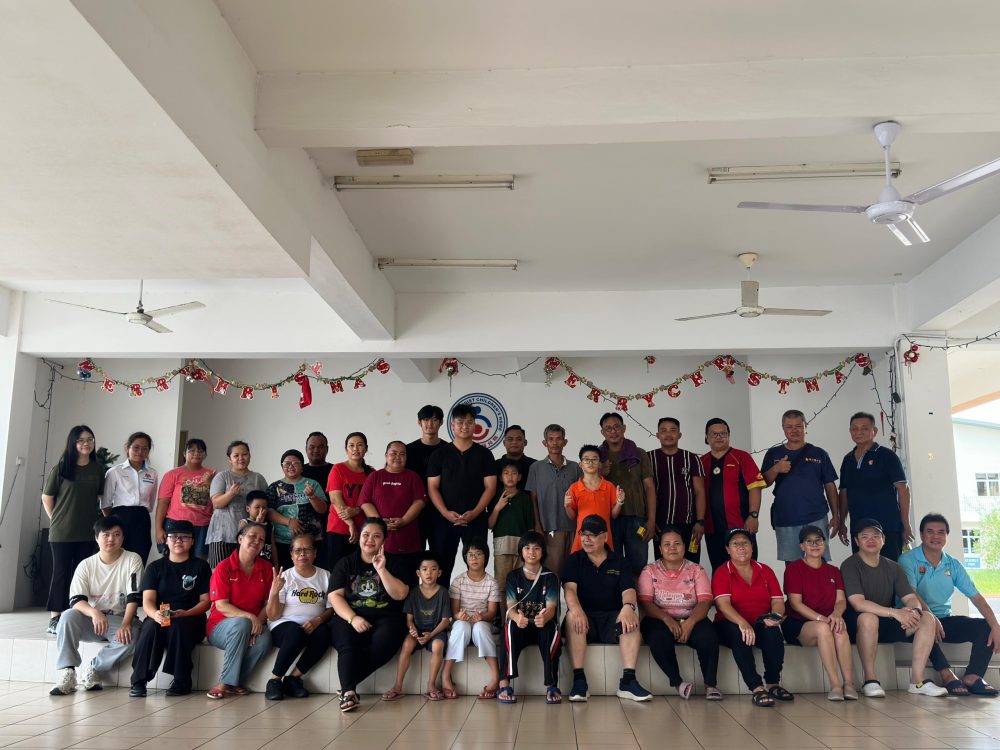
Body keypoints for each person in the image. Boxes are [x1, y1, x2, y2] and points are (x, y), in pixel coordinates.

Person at [841, 518, 946, 697]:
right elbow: (858, 603)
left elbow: (910, 598)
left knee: (927, 618)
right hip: (857, 625)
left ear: (883, 540)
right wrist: (894, 612)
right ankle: (870, 680)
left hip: (885, 622)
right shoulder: (850, 565)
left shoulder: (893, 567)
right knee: (868, 618)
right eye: (865, 536)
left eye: (876, 536)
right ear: (857, 541)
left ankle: (917, 681)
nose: (871, 540)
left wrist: (914, 611)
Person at [899, 513, 1000, 696]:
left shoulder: (952, 564)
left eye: (941, 532)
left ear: (946, 536)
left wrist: (995, 626)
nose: (935, 536)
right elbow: (911, 592)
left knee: (985, 626)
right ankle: (946, 675)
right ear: (921, 535)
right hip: (914, 619)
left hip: (944, 620)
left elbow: (976, 597)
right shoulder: (908, 560)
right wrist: (931, 618)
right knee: (925, 624)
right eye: (930, 532)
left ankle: (973, 676)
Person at [563, 515, 652, 703]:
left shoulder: (619, 561)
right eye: (583, 534)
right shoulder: (574, 560)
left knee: (630, 620)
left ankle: (628, 681)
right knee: (572, 616)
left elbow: (629, 590)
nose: (586, 539)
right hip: (585, 619)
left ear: (605, 536)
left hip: (611, 619)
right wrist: (576, 609)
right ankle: (579, 681)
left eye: (592, 535)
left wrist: (628, 607)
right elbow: (569, 589)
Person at [50, 515, 142, 695]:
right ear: (96, 538)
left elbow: (134, 597)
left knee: (133, 635)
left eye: (116, 534)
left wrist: (126, 623)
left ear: (123, 537)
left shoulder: (132, 559)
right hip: (91, 620)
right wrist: (94, 613)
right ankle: (67, 671)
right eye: (106, 534)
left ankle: (94, 668)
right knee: (67, 616)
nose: (111, 539)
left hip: (118, 618)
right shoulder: (86, 565)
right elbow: (76, 600)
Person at [328, 517, 410, 712]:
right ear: (359, 537)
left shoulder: (395, 562)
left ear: (384, 540)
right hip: (350, 615)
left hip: (386, 616)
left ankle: (347, 687)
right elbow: (335, 596)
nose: (370, 540)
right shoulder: (346, 563)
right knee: (347, 644)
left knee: (385, 642)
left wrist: (381, 570)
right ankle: (349, 692)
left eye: (376, 536)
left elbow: (400, 594)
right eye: (365, 535)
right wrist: (353, 618)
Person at [129, 519, 211, 697]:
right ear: (166, 540)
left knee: (179, 627)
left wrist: (187, 613)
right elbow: (148, 600)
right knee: (150, 627)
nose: (178, 541)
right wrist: (155, 614)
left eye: (184, 537)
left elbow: (206, 601)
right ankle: (138, 681)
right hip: (161, 614)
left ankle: (182, 680)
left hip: (191, 616)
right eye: (173, 537)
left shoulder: (201, 567)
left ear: (193, 541)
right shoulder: (155, 567)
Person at [638, 526, 721, 700]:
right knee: (658, 639)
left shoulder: (696, 570)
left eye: (677, 543)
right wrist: (667, 619)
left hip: (692, 616)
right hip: (658, 619)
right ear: (660, 549)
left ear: (684, 546)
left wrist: (690, 622)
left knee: (708, 637)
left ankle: (711, 685)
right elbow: (645, 602)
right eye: (667, 544)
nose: (672, 548)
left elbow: (705, 601)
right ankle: (678, 682)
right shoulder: (649, 570)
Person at [712, 528, 792, 707]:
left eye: (745, 542)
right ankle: (756, 687)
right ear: (727, 549)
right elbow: (723, 605)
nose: (741, 547)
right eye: (735, 543)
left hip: (759, 620)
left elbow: (777, 601)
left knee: (773, 633)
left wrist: (775, 616)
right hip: (729, 622)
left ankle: (772, 683)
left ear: (752, 546)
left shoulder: (765, 570)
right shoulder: (722, 572)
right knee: (739, 634)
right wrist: (742, 623)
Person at [782, 525, 856, 701]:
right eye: (809, 541)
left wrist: (836, 614)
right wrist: (821, 618)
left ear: (825, 543)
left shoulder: (833, 571)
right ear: (802, 546)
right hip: (799, 623)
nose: (814, 545)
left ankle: (849, 684)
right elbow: (796, 604)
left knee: (840, 628)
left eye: (818, 540)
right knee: (824, 628)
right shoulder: (794, 568)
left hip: (828, 619)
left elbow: (840, 600)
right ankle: (835, 685)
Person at [43, 425, 104, 634]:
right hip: (62, 533)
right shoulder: (61, 468)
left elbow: (99, 498)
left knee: (81, 576)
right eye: (81, 440)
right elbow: (47, 497)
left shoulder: (98, 469)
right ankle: (55, 618)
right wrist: (56, 520)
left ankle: (76, 615)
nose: (86, 443)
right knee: (60, 573)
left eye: (90, 439)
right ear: (73, 443)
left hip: (87, 533)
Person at [427, 404, 497, 583]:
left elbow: (490, 487)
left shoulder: (485, 454)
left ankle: (477, 601)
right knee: (441, 567)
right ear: (452, 425)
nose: (464, 426)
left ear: (475, 425)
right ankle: (441, 602)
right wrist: (445, 513)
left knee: (477, 566)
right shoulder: (439, 454)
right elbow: (432, 487)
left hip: (475, 519)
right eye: (460, 422)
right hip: (444, 520)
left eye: (469, 422)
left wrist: (475, 513)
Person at [762, 411, 840, 565]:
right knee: (793, 567)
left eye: (798, 426)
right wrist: (776, 469)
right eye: (789, 426)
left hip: (816, 517)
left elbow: (830, 486)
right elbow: (763, 482)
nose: (794, 430)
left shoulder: (819, 453)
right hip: (785, 518)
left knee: (819, 564)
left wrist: (836, 516)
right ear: (783, 428)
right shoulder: (774, 453)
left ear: (806, 427)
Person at [205, 522, 273, 699]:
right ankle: (223, 682)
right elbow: (221, 605)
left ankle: (234, 682)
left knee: (265, 639)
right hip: (220, 627)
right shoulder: (224, 567)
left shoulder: (266, 568)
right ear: (240, 539)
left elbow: (267, 604)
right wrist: (251, 619)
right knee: (242, 623)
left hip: (250, 624)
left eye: (261, 539)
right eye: (252, 536)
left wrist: (256, 625)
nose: (257, 541)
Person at [263, 533, 333, 700]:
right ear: (291, 555)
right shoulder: (285, 577)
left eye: (307, 550)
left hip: (313, 624)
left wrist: (318, 620)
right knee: (295, 632)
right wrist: (274, 592)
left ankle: (293, 679)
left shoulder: (325, 576)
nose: (302, 554)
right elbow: (273, 615)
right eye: (297, 550)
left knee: (325, 633)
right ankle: (274, 681)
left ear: (315, 553)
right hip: (284, 625)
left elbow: (331, 608)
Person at [498, 531, 561, 705]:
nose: (531, 552)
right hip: (521, 624)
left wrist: (545, 617)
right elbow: (511, 607)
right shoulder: (513, 576)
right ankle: (504, 684)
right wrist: (516, 617)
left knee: (551, 629)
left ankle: (551, 685)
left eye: (536, 548)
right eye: (527, 548)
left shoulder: (551, 577)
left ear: (543, 551)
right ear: (521, 551)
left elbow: (552, 607)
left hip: (542, 625)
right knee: (509, 628)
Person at [838, 412, 912, 561]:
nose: (859, 432)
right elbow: (844, 493)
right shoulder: (848, 459)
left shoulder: (887, 456)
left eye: (864, 428)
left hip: (888, 528)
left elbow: (903, 490)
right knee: (862, 570)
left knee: (890, 570)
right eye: (854, 429)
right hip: (859, 529)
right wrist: (841, 522)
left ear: (874, 431)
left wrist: (906, 524)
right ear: (850, 431)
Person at [700, 419, 766, 571]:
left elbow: (755, 488)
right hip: (712, 528)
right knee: (719, 570)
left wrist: (754, 515)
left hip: (741, 526)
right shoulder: (702, 461)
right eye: (714, 434)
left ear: (728, 436)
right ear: (706, 437)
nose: (719, 437)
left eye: (723, 433)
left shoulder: (742, 457)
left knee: (747, 568)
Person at [385, 554, 451, 700]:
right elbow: (409, 619)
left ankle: (431, 685)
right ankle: (397, 686)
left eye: (433, 569)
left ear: (439, 573)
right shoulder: (413, 592)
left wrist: (431, 635)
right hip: (418, 631)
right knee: (407, 643)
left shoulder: (443, 593)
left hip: (436, 631)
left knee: (438, 646)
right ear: (418, 573)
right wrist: (413, 630)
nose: (429, 573)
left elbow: (445, 621)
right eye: (425, 569)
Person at [598, 412, 655, 579]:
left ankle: (636, 596)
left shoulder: (639, 453)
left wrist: (651, 520)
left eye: (617, 427)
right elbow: (590, 486)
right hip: (609, 519)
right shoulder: (597, 457)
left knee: (638, 565)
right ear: (602, 432)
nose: (613, 431)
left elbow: (649, 487)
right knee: (610, 565)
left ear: (624, 428)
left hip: (637, 517)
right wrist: (601, 473)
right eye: (608, 428)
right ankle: (615, 596)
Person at [442, 540, 502, 700]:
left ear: (485, 557)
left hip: (483, 622)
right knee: (461, 627)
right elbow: (454, 611)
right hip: (462, 621)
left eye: (478, 554)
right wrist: (458, 616)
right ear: (465, 558)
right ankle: (445, 675)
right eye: (470, 555)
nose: (474, 558)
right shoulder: (458, 581)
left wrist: (482, 617)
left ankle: (495, 677)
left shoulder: (492, 583)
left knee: (480, 628)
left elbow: (492, 612)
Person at [359, 441, 426, 576]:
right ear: (386, 455)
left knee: (408, 579)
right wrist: (379, 522)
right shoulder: (375, 476)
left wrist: (404, 520)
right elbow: (364, 502)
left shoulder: (413, 477)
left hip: (407, 539)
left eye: (402, 454)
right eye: (393, 453)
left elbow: (420, 502)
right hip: (378, 541)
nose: (397, 457)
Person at [525, 424, 581, 578]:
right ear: (545, 443)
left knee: (574, 575)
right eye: (551, 439)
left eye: (558, 439)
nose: (555, 443)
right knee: (552, 575)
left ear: (565, 442)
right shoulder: (536, 468)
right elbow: (533, 499)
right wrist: (537, 526)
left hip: (573, 528)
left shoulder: (575, 467)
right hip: (549, 529)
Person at [649, 418, 706, 563]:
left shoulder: (692, 458)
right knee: (663, 566)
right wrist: (650, 520)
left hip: (689, 524)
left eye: (673, 430)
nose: (668, 434)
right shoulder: (649, 458)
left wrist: (700, 521)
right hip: (660, 525)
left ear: (679, 435)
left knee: (691, 566)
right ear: (657, 435)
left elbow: (700, 491)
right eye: (664, 431)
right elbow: (645, 492)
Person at [207, 440, 268, 568]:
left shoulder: (258, 478)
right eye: (236, 455)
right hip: (223, 534)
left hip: (250, 536)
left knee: (246, 571)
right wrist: (231, 493)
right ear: (229, 459)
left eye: (244, 454)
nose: (241, 458)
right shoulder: (222, 476)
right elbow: (216, 503)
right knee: (220, 571)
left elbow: (266, 504)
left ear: (250, 455)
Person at [101, 431, 158, 564]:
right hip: (120, 517)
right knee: (118, 558)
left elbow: (151, 500)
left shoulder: (152, 473)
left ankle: (136, 579)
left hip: (142, 518)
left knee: (140, 556)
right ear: (128, 448)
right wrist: (113, 523)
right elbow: (105, 503)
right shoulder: (115, 472)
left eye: (145, 449)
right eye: (136, 447)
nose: (140, 452)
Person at [155, 438, 215, 561]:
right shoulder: (172, 474)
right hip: (175, 524)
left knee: (199, 562)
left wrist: (210, 483)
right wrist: (158, 528)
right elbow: (163, 503)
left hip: (203, 526)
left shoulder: (213, 474)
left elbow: (218, 501)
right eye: (192, 450)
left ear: (205, 455)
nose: (196, 453)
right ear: (184, 454)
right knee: (173, 560)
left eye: (200, 451)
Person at [267, 449, 327, 570]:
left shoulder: (312, 484)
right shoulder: (274, 487)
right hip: (283, 542)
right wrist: (289, 522)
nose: (291, 466)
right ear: (282, 466)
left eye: (295, 463)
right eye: (287, 463)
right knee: (286, 576)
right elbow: (268, 512)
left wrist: (312, 496)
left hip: (311, 541)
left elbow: (323, 509)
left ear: (302, 466)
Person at [326, 433, 373, 569]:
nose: (355, 449)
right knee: (337, 571)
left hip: (364, 531)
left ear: (366, 448)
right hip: (338, 529)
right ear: (346, 449)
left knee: (359, 572)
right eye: (351, 445)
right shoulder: (338, 469)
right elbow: (335, 499)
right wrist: (350, 523)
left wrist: (357, 510)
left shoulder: (372, 473)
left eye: (359, 445)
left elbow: (373, 502)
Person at [565, 445, 624, 553]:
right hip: (583, 537)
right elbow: (572, 516)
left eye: (594, 459)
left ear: (600, 464)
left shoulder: (609, 486)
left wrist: (620, 502)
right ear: (581, 464)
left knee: (604, 561)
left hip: (603, 536)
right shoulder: (574, 488)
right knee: (580, 562)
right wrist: (567, 506)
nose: (590, 463)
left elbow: (613, 515)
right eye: (586, 459)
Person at [406, 404, 449, 550]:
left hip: (440, 510)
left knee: (440, 553)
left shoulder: (449, 450)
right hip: (414, 510)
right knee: (415, 553)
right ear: (419, 422)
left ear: (441, 422)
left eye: (434, 420)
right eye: (425, 419)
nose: (430, 424)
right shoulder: (408, 450)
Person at [488, 460, 535, 588]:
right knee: (501, 585)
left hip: (521, 546)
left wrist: (530, 548)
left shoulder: (525, 498)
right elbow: (490, 525)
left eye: (514, 473)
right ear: (500, 477)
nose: (510, 476)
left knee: (521, 585)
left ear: (519, 477)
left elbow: (530, 528)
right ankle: (503, 604)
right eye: (506, 473)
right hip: (502, 547)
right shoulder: (494, 496)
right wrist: (497, 508)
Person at [495, 425, 535, 491]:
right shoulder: (494, 466)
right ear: (504, 443)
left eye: (519, 439)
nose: (514, 442)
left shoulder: (535, 465)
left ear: (525, 442)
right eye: (510, 439)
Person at [241, 491, 275, 565]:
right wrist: (257, 523)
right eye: (257, 507)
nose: (261, 510)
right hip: (251, 562)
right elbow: (242, 542)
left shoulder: (269, 525)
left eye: (264, 507)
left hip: (267, 563)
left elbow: (273, 547)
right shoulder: (244, 523)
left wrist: (275, 564)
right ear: (248, 509)